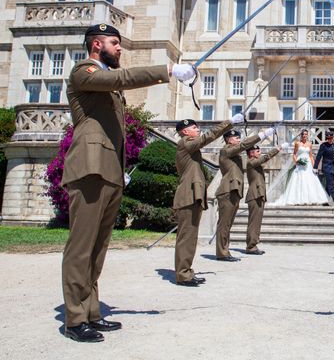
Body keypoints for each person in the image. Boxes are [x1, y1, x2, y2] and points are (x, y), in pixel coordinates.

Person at [61, 23, 196, 342]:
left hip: (108, 169)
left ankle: (91, 312)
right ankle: (74, 318)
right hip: (89, 167)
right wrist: (167, 69)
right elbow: (119, 78)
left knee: (97, 248)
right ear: (96, 45)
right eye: (113, 42)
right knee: (81, 246)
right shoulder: (85, 70)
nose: (119, 47)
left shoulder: (106, 81)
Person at [173, 116, 244, 287]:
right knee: (186, 237)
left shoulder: (190, 148)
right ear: (184, 131)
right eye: (194, 127)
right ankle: (183, 274)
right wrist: (229, 122)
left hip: (193, 195)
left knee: (189, 237)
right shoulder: (185, 143)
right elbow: (207, 137)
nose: (197, 129)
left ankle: (186, 271)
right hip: (188, 195)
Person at [215, 127, 274, 261]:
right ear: (228, 139)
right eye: (235, 137)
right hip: (227, 190)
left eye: (238, 137)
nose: (238, 139)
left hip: (234, 190)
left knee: (228, 223)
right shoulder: (225, 151)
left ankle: (224, 250)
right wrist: (262, 135)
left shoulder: (235, 155)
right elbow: (244, 146)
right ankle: (222, 252)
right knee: (224, 223)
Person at [271, 129, 331, 206]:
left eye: (306, 134)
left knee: (310, 181)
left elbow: (311, 156)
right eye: (303, 134)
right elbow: (294, 154)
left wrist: (314, 167)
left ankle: (311, 199)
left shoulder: (309, 144)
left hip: (308, 165)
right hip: (300, 165)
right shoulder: (297, 143)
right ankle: (298, 199)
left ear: (307, 135)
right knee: (299, 180)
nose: (304, 136)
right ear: (301, 135)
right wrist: (297, 162)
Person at [245, 143, 284, 254]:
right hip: (255, 195)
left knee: (256, 222)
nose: (260, 153)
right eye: (257, 151)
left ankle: (253, 244)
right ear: (251, 153)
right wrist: (275, 150)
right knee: (254, 222)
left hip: (259, 194)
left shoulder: (255, 163)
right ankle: (251, 246)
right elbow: (265, 158)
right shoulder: (251, 162)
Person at [313, 130, 334, 206]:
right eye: (328, 139)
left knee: (328, 185)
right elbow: (318, 157)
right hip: (327, 167)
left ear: (333, 137)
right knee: (330, 185)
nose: (329, 140)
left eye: (330, 138)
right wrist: (315, 167)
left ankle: (325, 201)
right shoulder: (323, 145)